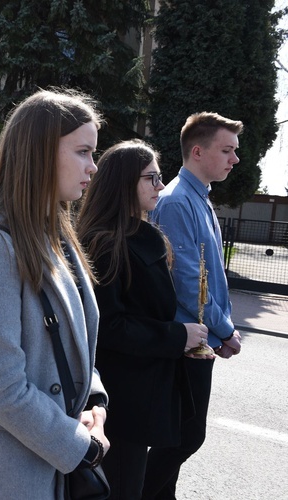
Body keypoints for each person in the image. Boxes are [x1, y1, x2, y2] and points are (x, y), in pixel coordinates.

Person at [0, 89, 109, 499]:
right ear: (40, 153)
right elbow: (0, 388)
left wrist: (95, 406)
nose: (93, 166)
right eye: (83, 152)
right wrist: (79, 446)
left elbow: (75, 345)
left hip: (45, 455)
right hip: (3, 470)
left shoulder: (57, 235)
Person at [77, 140, 211, 499]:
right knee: (122, 487)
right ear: (123, 182)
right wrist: (176, 336)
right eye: (151, 178)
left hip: (145, 390)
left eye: (160, 177)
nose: (161, 186)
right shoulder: (104, 243)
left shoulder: (144, 234)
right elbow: (108, 327)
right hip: (122, 397)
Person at [143, 112, 244, 498]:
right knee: (184, 436)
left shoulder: (198, 197)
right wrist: (225, 329)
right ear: (198, 151)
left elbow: (207, 275)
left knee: (180, 436)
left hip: (199, 339)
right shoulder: (176, 202)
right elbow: (188, 282)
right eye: (227, 150)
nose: (234, 159)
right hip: (187, 341)